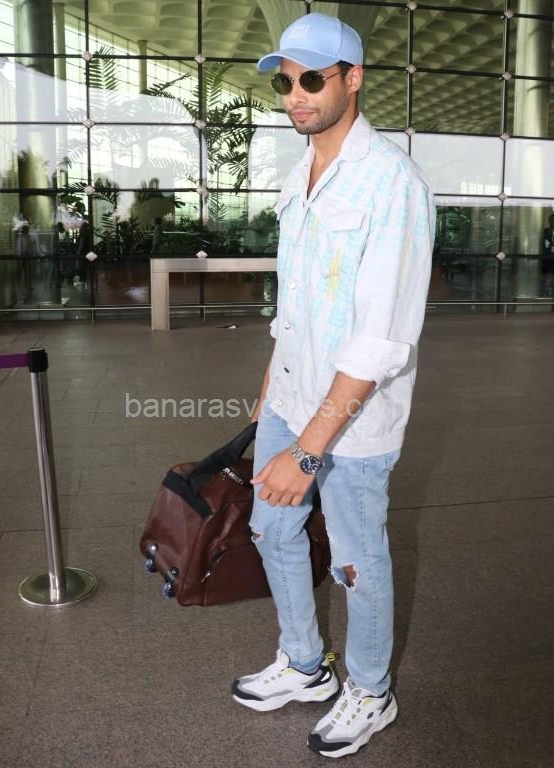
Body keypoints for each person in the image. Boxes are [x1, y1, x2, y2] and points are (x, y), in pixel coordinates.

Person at [230, 12, 436, 760]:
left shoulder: (393, 184)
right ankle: (305, 665)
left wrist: (308, 450)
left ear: (353, 79)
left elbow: (381, 339)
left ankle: (371, 691)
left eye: (312, 79)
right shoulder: (301, 174)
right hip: (290, 400)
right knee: (270, 528)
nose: (296, 95)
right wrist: (268, 398)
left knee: (355, 560)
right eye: (285, 82)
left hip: (353, 418)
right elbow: (293, 307)